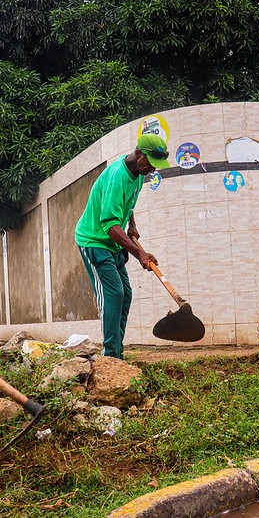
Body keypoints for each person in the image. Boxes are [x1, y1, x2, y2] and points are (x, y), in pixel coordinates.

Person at [74, 134, 170, 359]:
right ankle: (111, 355)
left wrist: (132, 225)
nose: (153, 170)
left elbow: (128, 203)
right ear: (138, 155)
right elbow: (108, 224)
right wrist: (139, 253)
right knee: (113, 294)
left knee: (125, 294)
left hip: (113, 243)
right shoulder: (118, 176)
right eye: (151, 164)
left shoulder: (137, 173)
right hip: (94, 241)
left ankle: (117, 351)